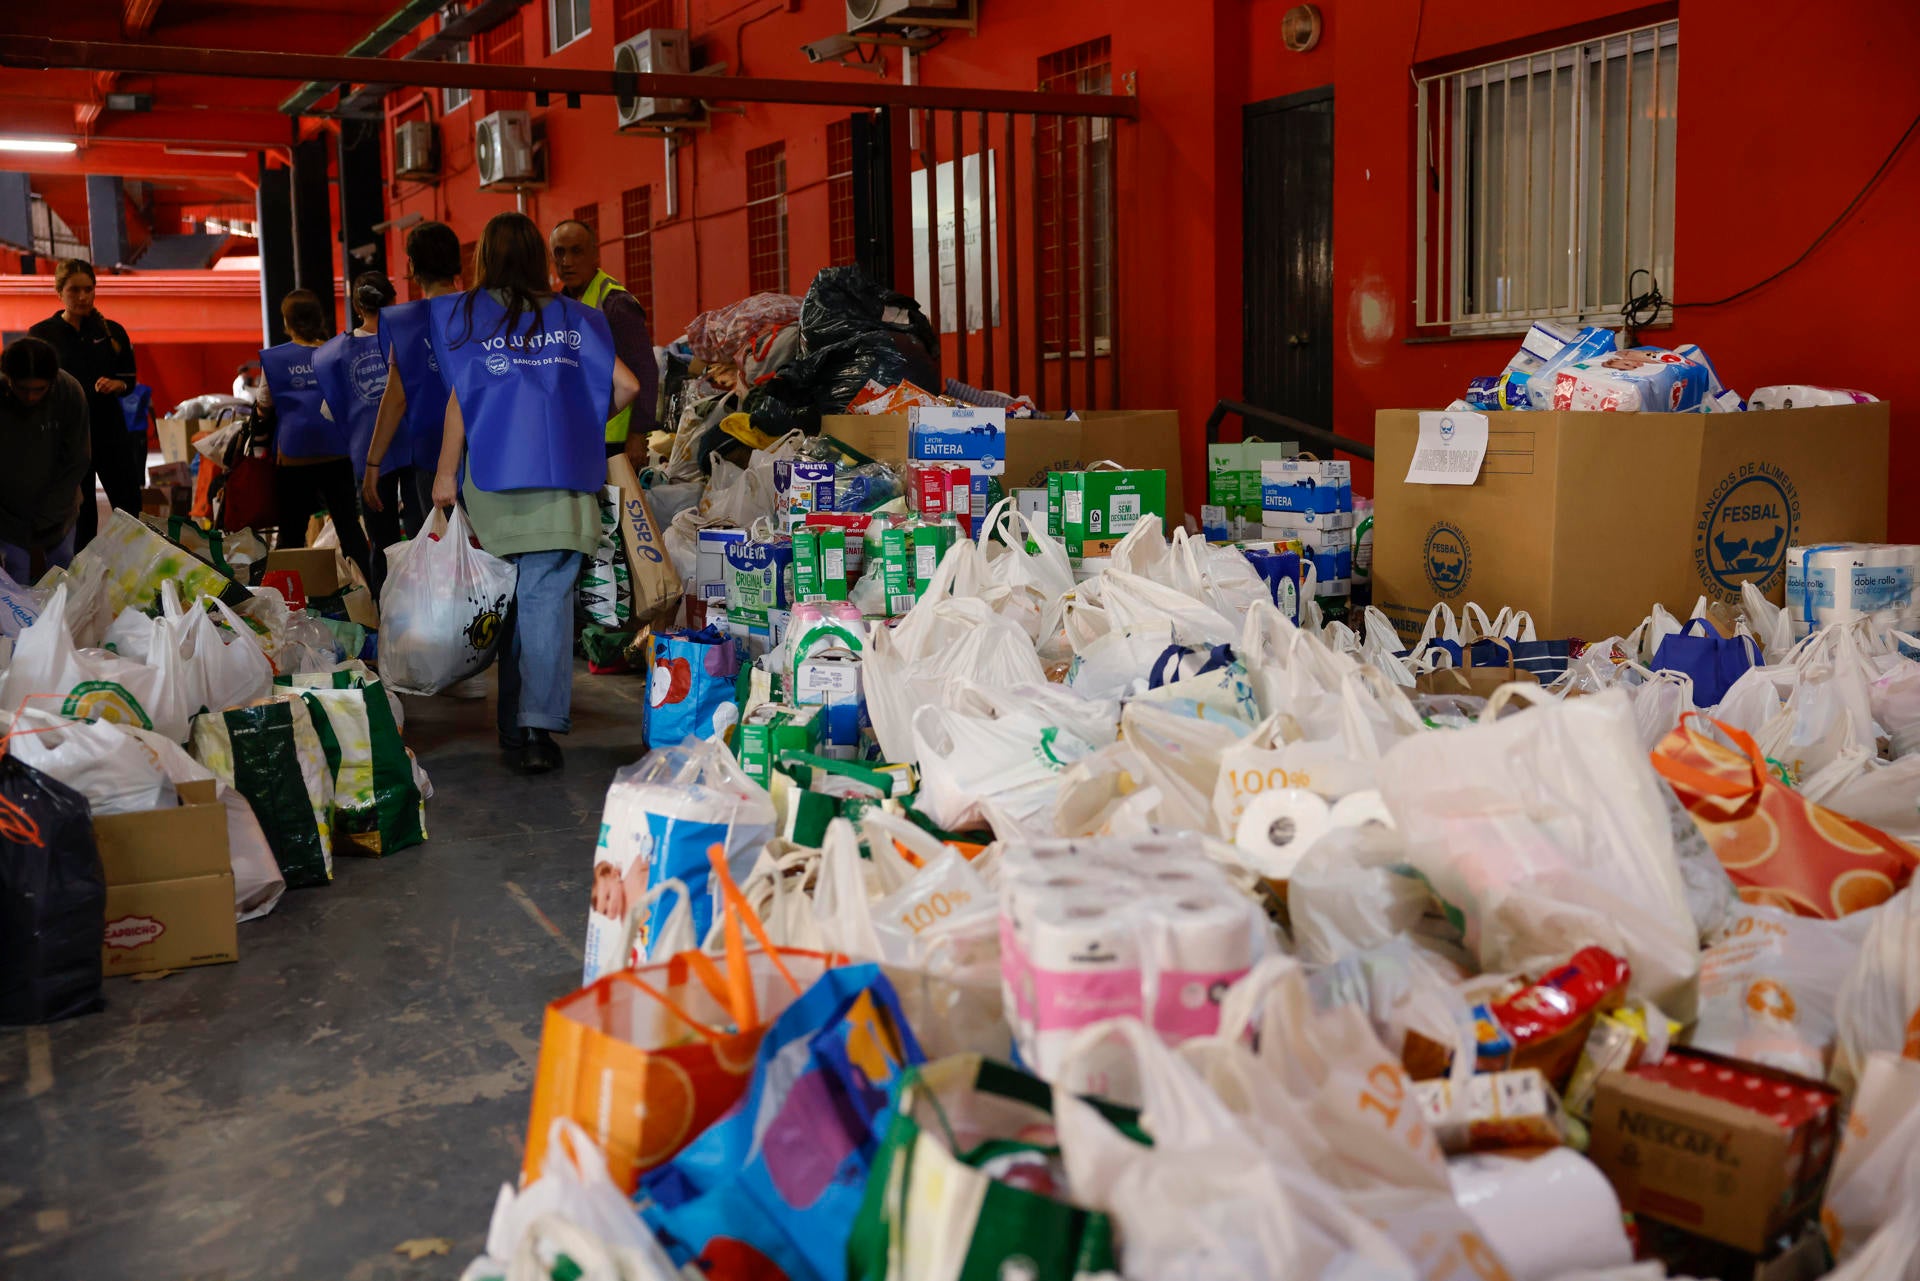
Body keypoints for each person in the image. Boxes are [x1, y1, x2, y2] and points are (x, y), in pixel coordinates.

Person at [429, 212, 640, 774]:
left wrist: (445, 475)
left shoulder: (466, 314)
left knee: (508, 602)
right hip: (562, 480)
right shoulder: (577, 319)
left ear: (485, 260)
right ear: (538, 259)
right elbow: (628, 385)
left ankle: (512, 725)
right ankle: (536, 731)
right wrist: (580, 423)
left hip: (493, 481)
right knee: (544, 603)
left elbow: (459, 402)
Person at [259, 289, 374, 589]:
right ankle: (372, 592)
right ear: (319, 318)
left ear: (287, 322)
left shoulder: (274, 359)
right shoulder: (337, 350)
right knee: (349, 527)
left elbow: (264, 403)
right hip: (337, 451)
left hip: (294, 455)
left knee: (292, 532)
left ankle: (287, 598)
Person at [314, 270, 417, 596]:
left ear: (358, 308)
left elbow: (328, 411)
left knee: (383, 544)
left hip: (370, 457)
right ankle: (427, 607)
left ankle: (386, 616)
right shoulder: (409, 339)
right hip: (416, 452)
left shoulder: (334, 354)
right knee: (421, 535)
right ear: (393, 300)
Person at [28, 258, 140, 551]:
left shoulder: (112, 332)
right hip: (67, 438)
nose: (82, 297)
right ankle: (82, 581)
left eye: (88, 289)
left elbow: (129, 379)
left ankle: (137, 568)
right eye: (74, 290)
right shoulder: (42, 335)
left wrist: (118, 385)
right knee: (81, 515)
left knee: (129, 507)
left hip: (110, 432)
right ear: (59, 292)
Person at [364, 220, 461, 523]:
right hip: (487, 450)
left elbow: (396, 397)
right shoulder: (484, 311)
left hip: (432, 452)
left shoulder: (405, 323)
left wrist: (372, 463)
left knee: (441, 553)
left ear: (412, 265)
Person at [549, 219, 657, 468]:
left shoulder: (616, 304)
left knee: (616, 507)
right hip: (579, 435)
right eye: (559, 252)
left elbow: (645, 370)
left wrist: (638, 434)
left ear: (595, 253)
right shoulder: (558, 306)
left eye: (576, 251)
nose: (566, 261)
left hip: (615, 440)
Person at [0, 337, 90, 583]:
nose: (30, 397)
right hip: (8, 515)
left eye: (39, 389)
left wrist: (48, 515)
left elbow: (77, 459)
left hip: (59, 510)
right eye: (22, 389)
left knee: (61, 575)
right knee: (16, 576)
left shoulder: (69, 391)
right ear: (7, 378)